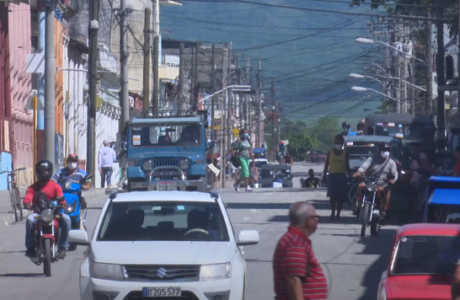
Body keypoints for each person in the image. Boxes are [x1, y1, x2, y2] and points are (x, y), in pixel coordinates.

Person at [273, 202, 328, 300]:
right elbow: (293, 280)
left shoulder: (296, 240)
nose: (316, 221)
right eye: (316, 218)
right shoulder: (295, 243)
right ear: (309, 220)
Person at [23, 160, 71, 259]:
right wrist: (27, 203)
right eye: (41, 170)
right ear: (37, 172)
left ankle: (63, 246)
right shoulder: (32, 188)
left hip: (54, 213)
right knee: (29, 220)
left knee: (67, 219)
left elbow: (61, 198)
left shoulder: (56, 186)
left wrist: (63, 204)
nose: (44, 173)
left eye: (46, 170)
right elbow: (28, 197)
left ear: (50, 171)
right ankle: (30, 248)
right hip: (38, 214)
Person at [354, 143, 399, 220]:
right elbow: (363, 167)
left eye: (387, 150)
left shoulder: (392, 163)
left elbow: (394, 174)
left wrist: (392, 180)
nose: (385, 152)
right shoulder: (372, 159)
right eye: (383, 150)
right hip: (370, 181)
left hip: (383, 183)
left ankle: (383, 211)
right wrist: (358, 172)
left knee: (387, 191)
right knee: (360, 186)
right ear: (379, 151)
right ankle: (358, 206)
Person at [52, 154, 91, 227]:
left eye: (74, 161)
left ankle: (81, 222)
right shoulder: (60, 172)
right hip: (61, 196)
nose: (72, 163)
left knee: (83, 204)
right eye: (70, 161)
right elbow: (53, 181)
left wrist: (83, 186)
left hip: (75, 195)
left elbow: (88, 183)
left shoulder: (82, 173)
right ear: (67, 162)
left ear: (77, 162)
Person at [323, 134, 351, 220]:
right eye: (337, 142)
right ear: (335, 143)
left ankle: (338, 214)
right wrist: (324, 175)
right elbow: (326, 164)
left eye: (340, 142)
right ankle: (332, 213)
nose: (339, 144)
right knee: (332, 196)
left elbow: (347, 165)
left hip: (341, 176)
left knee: (340, 197)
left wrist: (349, 175)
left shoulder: (345, 153)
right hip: (332, 175)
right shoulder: (330, 152)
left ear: (343, 143)